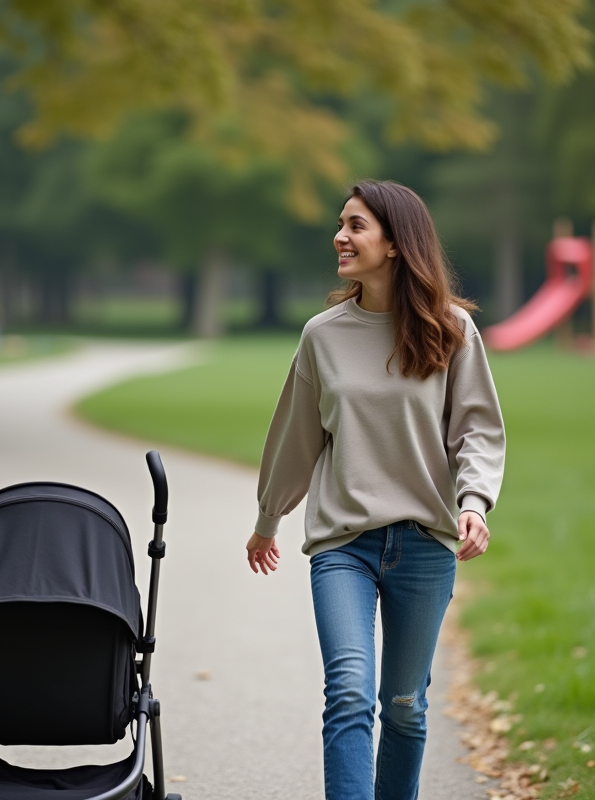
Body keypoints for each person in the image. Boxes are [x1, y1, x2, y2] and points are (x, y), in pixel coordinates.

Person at [246, 180, 505, 800]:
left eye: (356, 225)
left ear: (395, 242)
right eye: (341, 223)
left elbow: (477, 429)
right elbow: (294, 438)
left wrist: (474, 505)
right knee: (351, 690)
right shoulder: (322, 335)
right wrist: (267, 520)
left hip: (424, 545)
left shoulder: (453, 331)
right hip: (345, 545)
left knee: (406, 706)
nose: (340, 235)